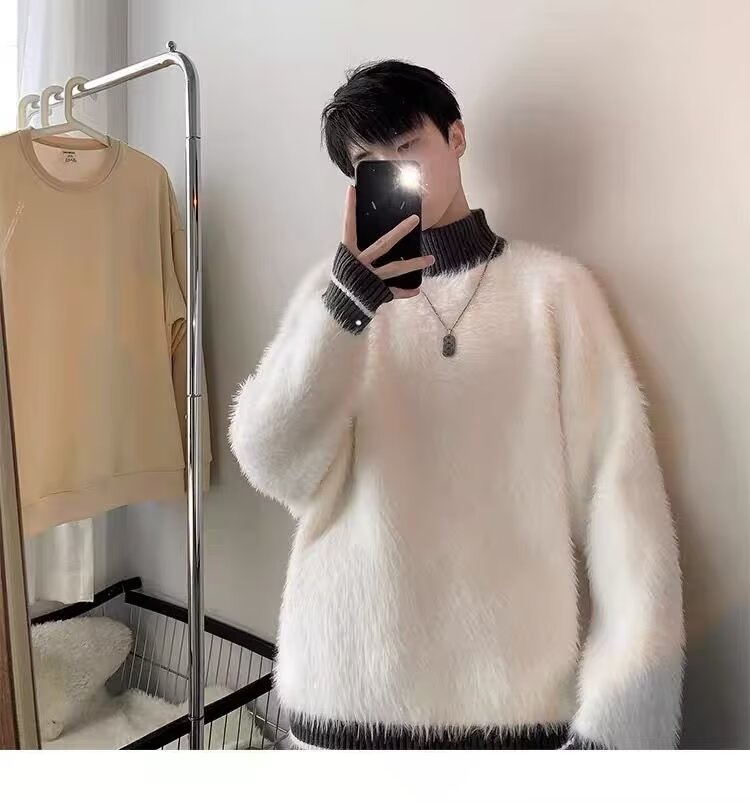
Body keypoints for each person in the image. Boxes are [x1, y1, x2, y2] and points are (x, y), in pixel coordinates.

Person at [229, 60, 685, 750]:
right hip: (345, 698)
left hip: (511, 710)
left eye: (406, 145)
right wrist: (347, 307)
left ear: (457, 137)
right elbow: (273, 464)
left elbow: (624, 509)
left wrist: (618, 728)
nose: (393, 170)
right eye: (370, 163)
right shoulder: (332, 296)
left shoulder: (553, 293)